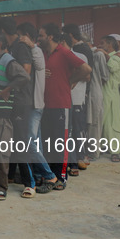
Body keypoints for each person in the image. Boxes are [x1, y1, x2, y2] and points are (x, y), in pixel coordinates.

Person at [38, 23, 91, 188]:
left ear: (50, 37)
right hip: (45, 105)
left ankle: (62, 178)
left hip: (61, 105)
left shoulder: (63, 52)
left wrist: (70, 81)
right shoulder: (43, 54)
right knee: (48, 143)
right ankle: (51, 176)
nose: (38, 39)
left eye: (41, 35)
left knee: (60, 143)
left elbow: (86, 69)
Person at [0, 31, 30, 201]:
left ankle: (1, 188)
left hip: (1, 116)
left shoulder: (8, 61)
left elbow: (24, 77)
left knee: (0, 153)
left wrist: (8, 89)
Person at [16, 23, 59, 194]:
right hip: (35, 105)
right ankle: (43, 175)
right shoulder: (33, 51)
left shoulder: (36, 50)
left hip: (35, 105)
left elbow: (40, 65)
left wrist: (32, 45)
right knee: (36, 144)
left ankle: (50, 176)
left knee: (29, 144)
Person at [0, 17, 35, 198]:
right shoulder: (12, 48)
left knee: (21, 142)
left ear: (3, 32)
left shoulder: (20, 47)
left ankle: (30, 183)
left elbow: (25, 72)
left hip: (21, 101)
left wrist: (8, 88)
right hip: (12, 100)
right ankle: (11, 176)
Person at [60, 34, 88, 177]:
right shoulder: (56, 56)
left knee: (76, 130)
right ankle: (72, 161)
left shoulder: (80, 56)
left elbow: (87, 74)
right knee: (67, 133)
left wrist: (71, 81)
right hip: (62, 100)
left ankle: (78, 158)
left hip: (75, 99)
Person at [96, 36, 120, 162]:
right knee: (100, 122)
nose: (100, 46)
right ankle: (100, 147)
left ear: (110, 44)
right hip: (103, 93)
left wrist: (105, 54)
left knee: (112, 124)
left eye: (103, 43)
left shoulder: (116, 58)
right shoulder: (103, 55)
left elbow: (112, 67)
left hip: (111, 94)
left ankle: (114, 151)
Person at [86, 36, 109, 160]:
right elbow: (105, 76)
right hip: (94, 91)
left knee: (94, 122)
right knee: (92, 123)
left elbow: (105, 76)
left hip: (94, 92)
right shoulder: (96, 55)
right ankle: (92, 151)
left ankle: (94, 152)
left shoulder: (97, 55)